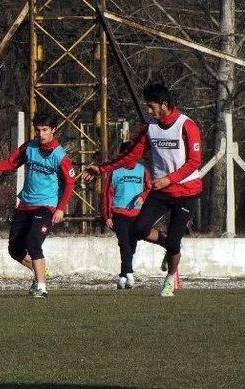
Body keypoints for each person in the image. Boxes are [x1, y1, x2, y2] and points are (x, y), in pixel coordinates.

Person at [84, 83, 202, 297]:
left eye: (151, 106)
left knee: (176, 242)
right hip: (162, 191)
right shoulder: (150, 127)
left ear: (164, 105)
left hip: (186, 192)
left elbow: (194, 162)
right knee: (137, 230)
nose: (148, 110)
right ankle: (169, 244)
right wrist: (101, 169)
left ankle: (170, 277)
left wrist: (169, 179)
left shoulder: (187, 126)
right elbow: (130, 156)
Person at [0, 112, 76, 298]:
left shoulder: (60, 155)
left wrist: (61, 208)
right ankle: (41, 273)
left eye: (45, 130)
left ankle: (41, 287)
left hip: (46, 206)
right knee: (15, 249)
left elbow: (70, 182)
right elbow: (11, 162)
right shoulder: (29, 147)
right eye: (38, 130)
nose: (41, 134)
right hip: (25, 205)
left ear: (53, 130)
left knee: (33, 242)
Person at [101, 142, 151, 289]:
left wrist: (143, 195)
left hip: (137, 215)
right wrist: (107, 216)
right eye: (125, 154)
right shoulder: (115, 172)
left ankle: (123, 276)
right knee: (124, 243)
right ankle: (129, 272)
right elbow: (106, 195)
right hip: (119, 213)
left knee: (132, 246)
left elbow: (151, 188)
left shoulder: (142, 171)